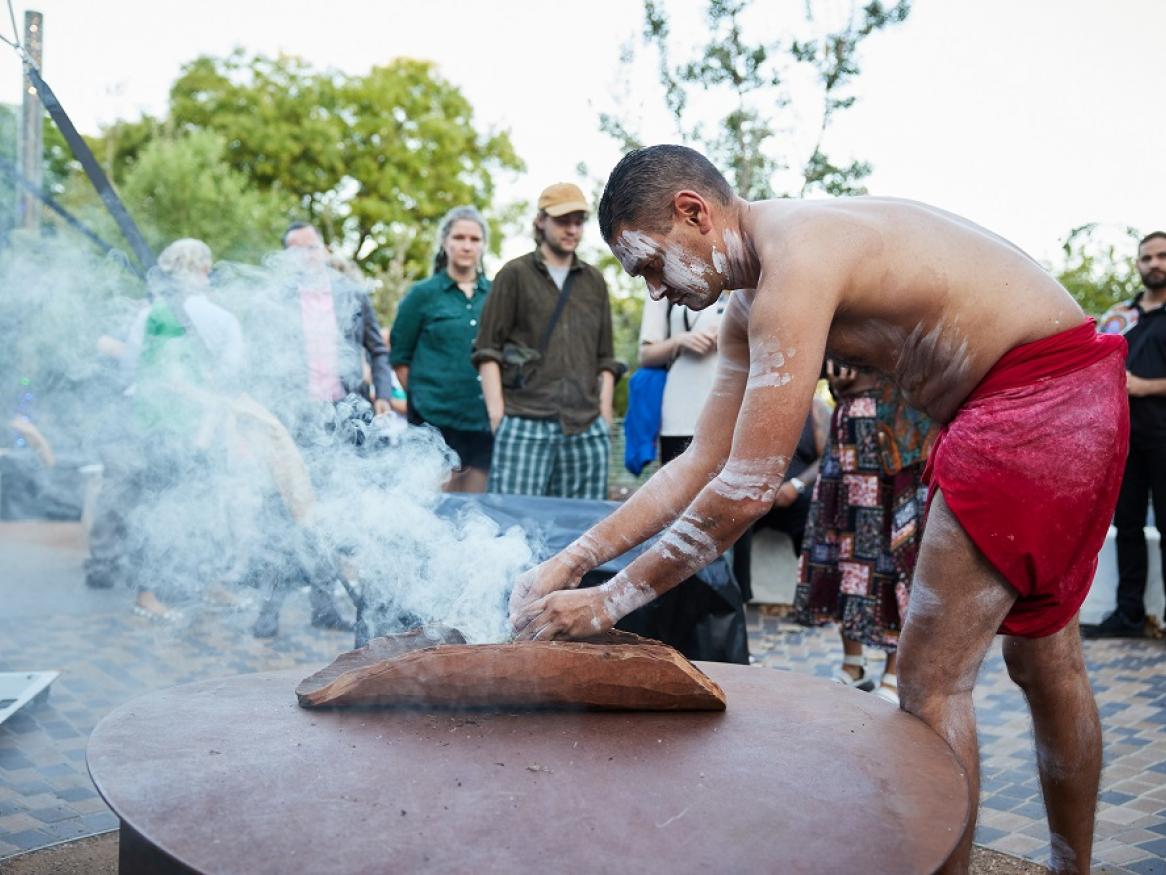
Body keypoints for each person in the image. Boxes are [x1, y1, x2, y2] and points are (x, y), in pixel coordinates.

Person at [509, 145, 1128, 874]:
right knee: (1044, 659)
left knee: (931, 680)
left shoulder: (797, 259)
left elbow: (745, 489)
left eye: (650, 265)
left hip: (1032, 401)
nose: (655, 292)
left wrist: (608, 602)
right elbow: (699, 464)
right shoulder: (750, 297)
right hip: (1078, 395)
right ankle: (1073, 867)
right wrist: (571, 562)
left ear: (693, 213)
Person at [794, 362, 935, 705]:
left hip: (891, 428)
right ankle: (853, 664)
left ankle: (893, 670)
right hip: (847, 427)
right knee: (843, 540)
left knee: (891, 546)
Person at [472, 183, 621, 500]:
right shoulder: (514, 274)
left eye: (578, 221)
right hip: (525, 422)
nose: (572, 229)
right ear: (541, 221)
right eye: (562, 220)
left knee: (582, 531)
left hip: (585, 427)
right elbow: (487, 350)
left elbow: (606, 357)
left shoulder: (594, 281)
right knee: (514, 525)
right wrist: (498, 416)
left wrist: (604, 413)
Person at [1084, 231, 1166, 638]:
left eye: (1162, 256)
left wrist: (1145, 386)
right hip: (1125, 441)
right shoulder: (1122, 316)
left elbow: (1137, 382)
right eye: (1147, 257)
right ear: (1137, 263)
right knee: (1128, 527)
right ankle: (1128, 616)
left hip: (1164, 438)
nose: (1155, 263)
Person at [391, 206, 493, 491]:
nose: (466, 245)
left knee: (475, 512)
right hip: (434, 424)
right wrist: (425, 400)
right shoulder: (422, 295)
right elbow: (400, 359)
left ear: (483, 245)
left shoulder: (496, 294)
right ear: (445, 242)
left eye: (474, 239)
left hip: (483, 423)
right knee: (436, 511)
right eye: (459, 237)